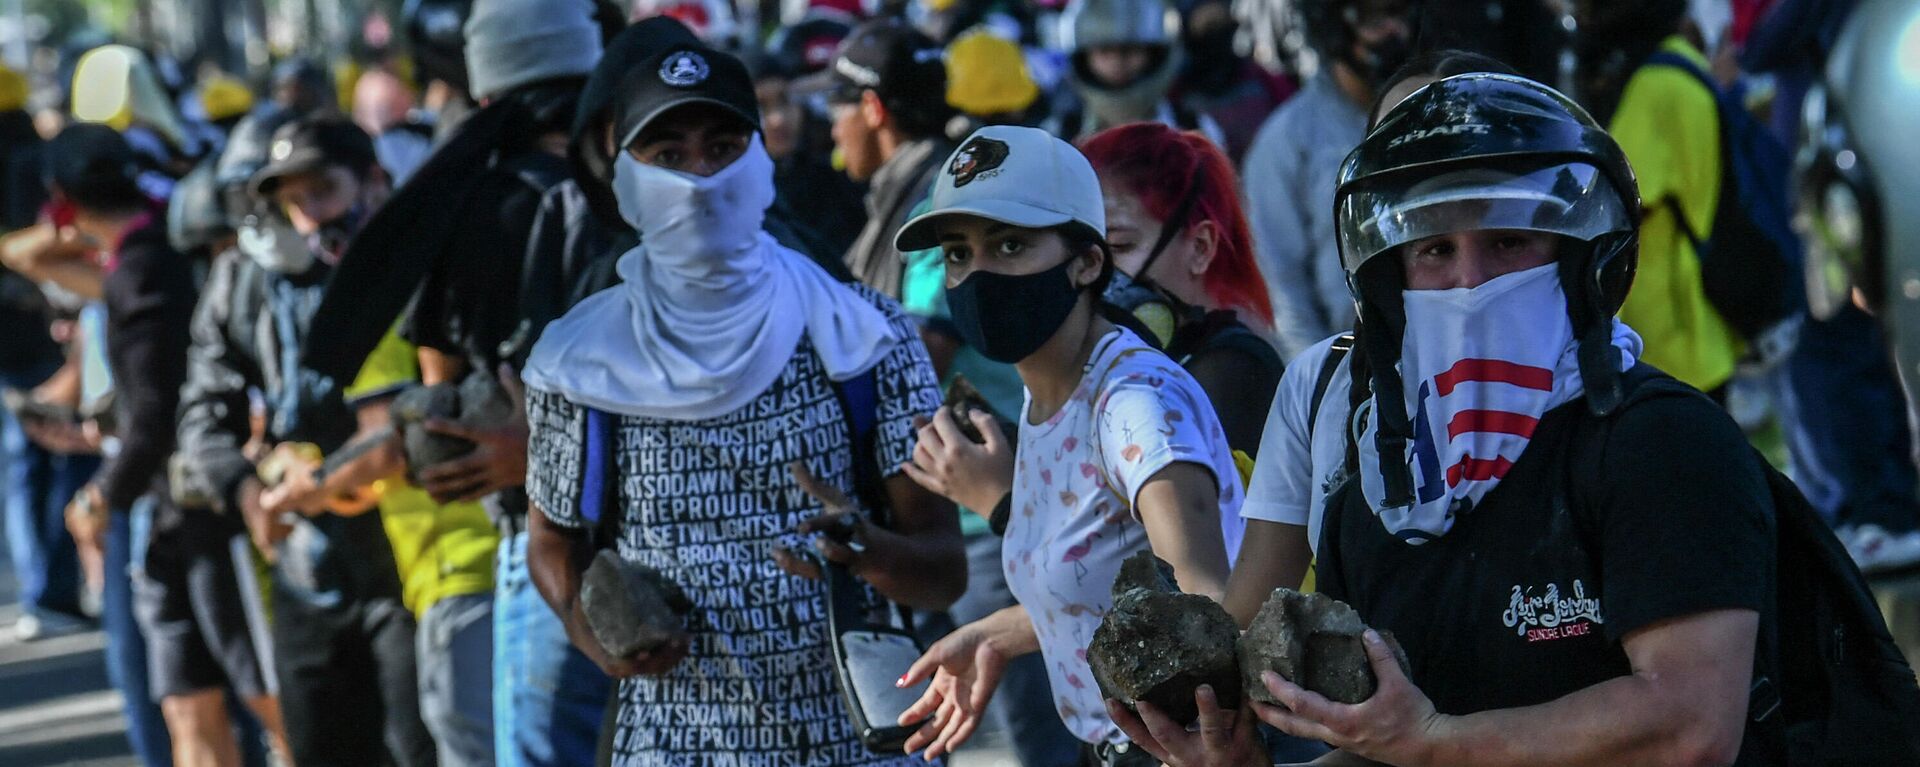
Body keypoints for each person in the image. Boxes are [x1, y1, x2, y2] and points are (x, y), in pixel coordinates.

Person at [1119, 72, 1782, 767]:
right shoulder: (1377, 478)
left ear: (1578, 256)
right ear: (1390, 280)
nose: (1470, 281)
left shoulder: (1662, 442)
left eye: (1507, 242)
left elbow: (1691, 725)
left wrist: (1438, 743)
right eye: (1435, 250)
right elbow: (1377, 744)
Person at [520, 40, 963, 763]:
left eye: (723, 147)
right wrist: (592, 629)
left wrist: (863, 548)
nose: (700, 179)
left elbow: (944, 566)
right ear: (624, 172)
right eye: (668, 154)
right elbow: (551, 540)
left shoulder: (865, 336)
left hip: (855, 740)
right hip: (670, 744)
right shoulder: (579, 359)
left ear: (761, 160)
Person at [891, 125, 1243, 765]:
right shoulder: (1047, 392)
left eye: (1011, 244)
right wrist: (1003, 634)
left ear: (1087, 262)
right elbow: (1111, 590)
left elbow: (1207, 614)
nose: (979, 275)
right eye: (958, 253)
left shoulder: (1133, 404)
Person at [173, 114, 437, 767]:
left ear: (373, 182)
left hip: (408, 558)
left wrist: (326, 477)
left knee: (418, 746)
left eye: (324, 191)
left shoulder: (413, 257)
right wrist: (245, 489)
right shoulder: (239, 281)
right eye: (292, 200)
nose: (310, 215)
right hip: (304, 565)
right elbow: (203, 413)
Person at [1080, 122, 1282, 456]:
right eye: (1083, 252)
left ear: (1201, 247)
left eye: (1119, 246)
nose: (1095, 273)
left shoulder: (1231, 371)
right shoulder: (1118, 367)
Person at [1579, 0, 1743, 400]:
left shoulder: (1651, 88)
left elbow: (1623, 199)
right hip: (1700, 325)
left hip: (1672, 332)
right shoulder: (1682, 61)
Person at [1242, 0, 1414, 360]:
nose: (1392, 32)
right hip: (1350, 372)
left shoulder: (1441, 114)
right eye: (1372, 16)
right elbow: (1281, 289)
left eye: (1400, 13)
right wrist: (1329, 383)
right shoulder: (1287, 141)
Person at [797, 17, 957, 298]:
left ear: (872, 108)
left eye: (836, 112)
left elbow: (931, 336)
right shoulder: (918, 181)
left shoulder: (937, 200)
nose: (835, 132)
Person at [1048, 0, 1225, 145]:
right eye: (1104, 50)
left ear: (1155, 54)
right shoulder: (1059, 135)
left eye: (1129, 50)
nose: (1117, 61)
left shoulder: (1196, 129)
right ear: (1084, 58)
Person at [1170, 0, 1297, 165]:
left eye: (1220, 24)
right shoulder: (1173, 99)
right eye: (1208, 28)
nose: (1215, 36)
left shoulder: (1267, 83)